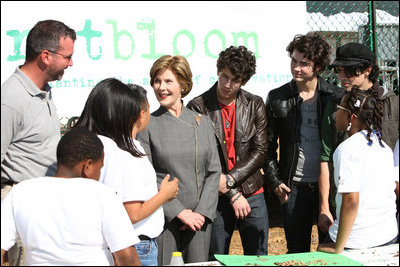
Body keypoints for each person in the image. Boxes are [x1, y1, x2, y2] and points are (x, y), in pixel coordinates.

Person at [74, 79, 179, 266]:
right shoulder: (119, 152)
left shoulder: (89, 144)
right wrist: (164, 195)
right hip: (134, 244)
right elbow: (131, 214)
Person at [1, 128, 142, 266]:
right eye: (100, 168)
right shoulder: (102, 194)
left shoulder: (21, 192)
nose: (99, 174)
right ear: (88, 166)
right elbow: (127, 257)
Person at [1, 19, 76, 266]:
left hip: (47, 205)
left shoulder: (44, 90)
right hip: (23, 209)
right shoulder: (10, 99)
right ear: (45, 56)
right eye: (67, 56)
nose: (71, 63)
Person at [136, 55, 221, 265]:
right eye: (157, 81)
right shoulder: (148, 125)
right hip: (166, 218)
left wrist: (201, 213)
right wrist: (180, 212)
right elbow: (147, 174)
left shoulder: (202, 123)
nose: (161, 87)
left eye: (168, 81)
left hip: (199, 222)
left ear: (183, 84)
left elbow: (213, 171)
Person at [264, 32, 343, 253]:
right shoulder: (278, 97)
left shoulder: (335, 97)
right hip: (294, 187)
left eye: (304, 63)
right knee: (297, 251)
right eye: (294, 61)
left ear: (318, 67)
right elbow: (268, 146)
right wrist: (275, 180)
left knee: (330, 250)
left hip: (329, 188)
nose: (296, 68)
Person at [187, 45, 269, 259]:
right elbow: (200, 158)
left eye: (235, 80)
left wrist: (231, 181)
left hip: (252, 192)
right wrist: (231, 193)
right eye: (224, 76)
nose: (227, 84)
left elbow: (260, 150)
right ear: (218, 70)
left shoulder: (254, 104)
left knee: (259, 258)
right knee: (216, 257)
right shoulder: (198, 107)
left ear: (244, 81)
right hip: (216, 195)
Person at [318, 42, 399, 234]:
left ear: (368, 70)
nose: (343, 77)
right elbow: (325, 157)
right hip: (345, 204)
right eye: (339, 71)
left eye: (350, 71)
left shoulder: (393, 103)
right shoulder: (337, 106)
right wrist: (324, 207)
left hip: (384, 208)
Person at [317, 88, 398, 253]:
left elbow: (351, 201)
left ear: (351, 118)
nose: (335, 115)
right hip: (388, 236)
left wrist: (338, 246)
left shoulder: (347, 150)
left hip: (355, 241)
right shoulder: (383, 146)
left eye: (339, 110)